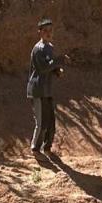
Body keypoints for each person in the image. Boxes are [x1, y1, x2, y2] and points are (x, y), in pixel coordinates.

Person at [27, 18, 64, 156]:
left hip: (47, 91)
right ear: (40, 32)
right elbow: (42, 68)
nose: (49, 33)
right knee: (42, 123)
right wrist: (58, 61)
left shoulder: (49, 47)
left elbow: (49, 64)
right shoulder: (38, 49)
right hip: (37, 90)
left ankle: (47, 149)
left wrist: (56, 70)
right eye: (45, 31)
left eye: (50, 30)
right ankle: (35, 150)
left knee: (51, 123)